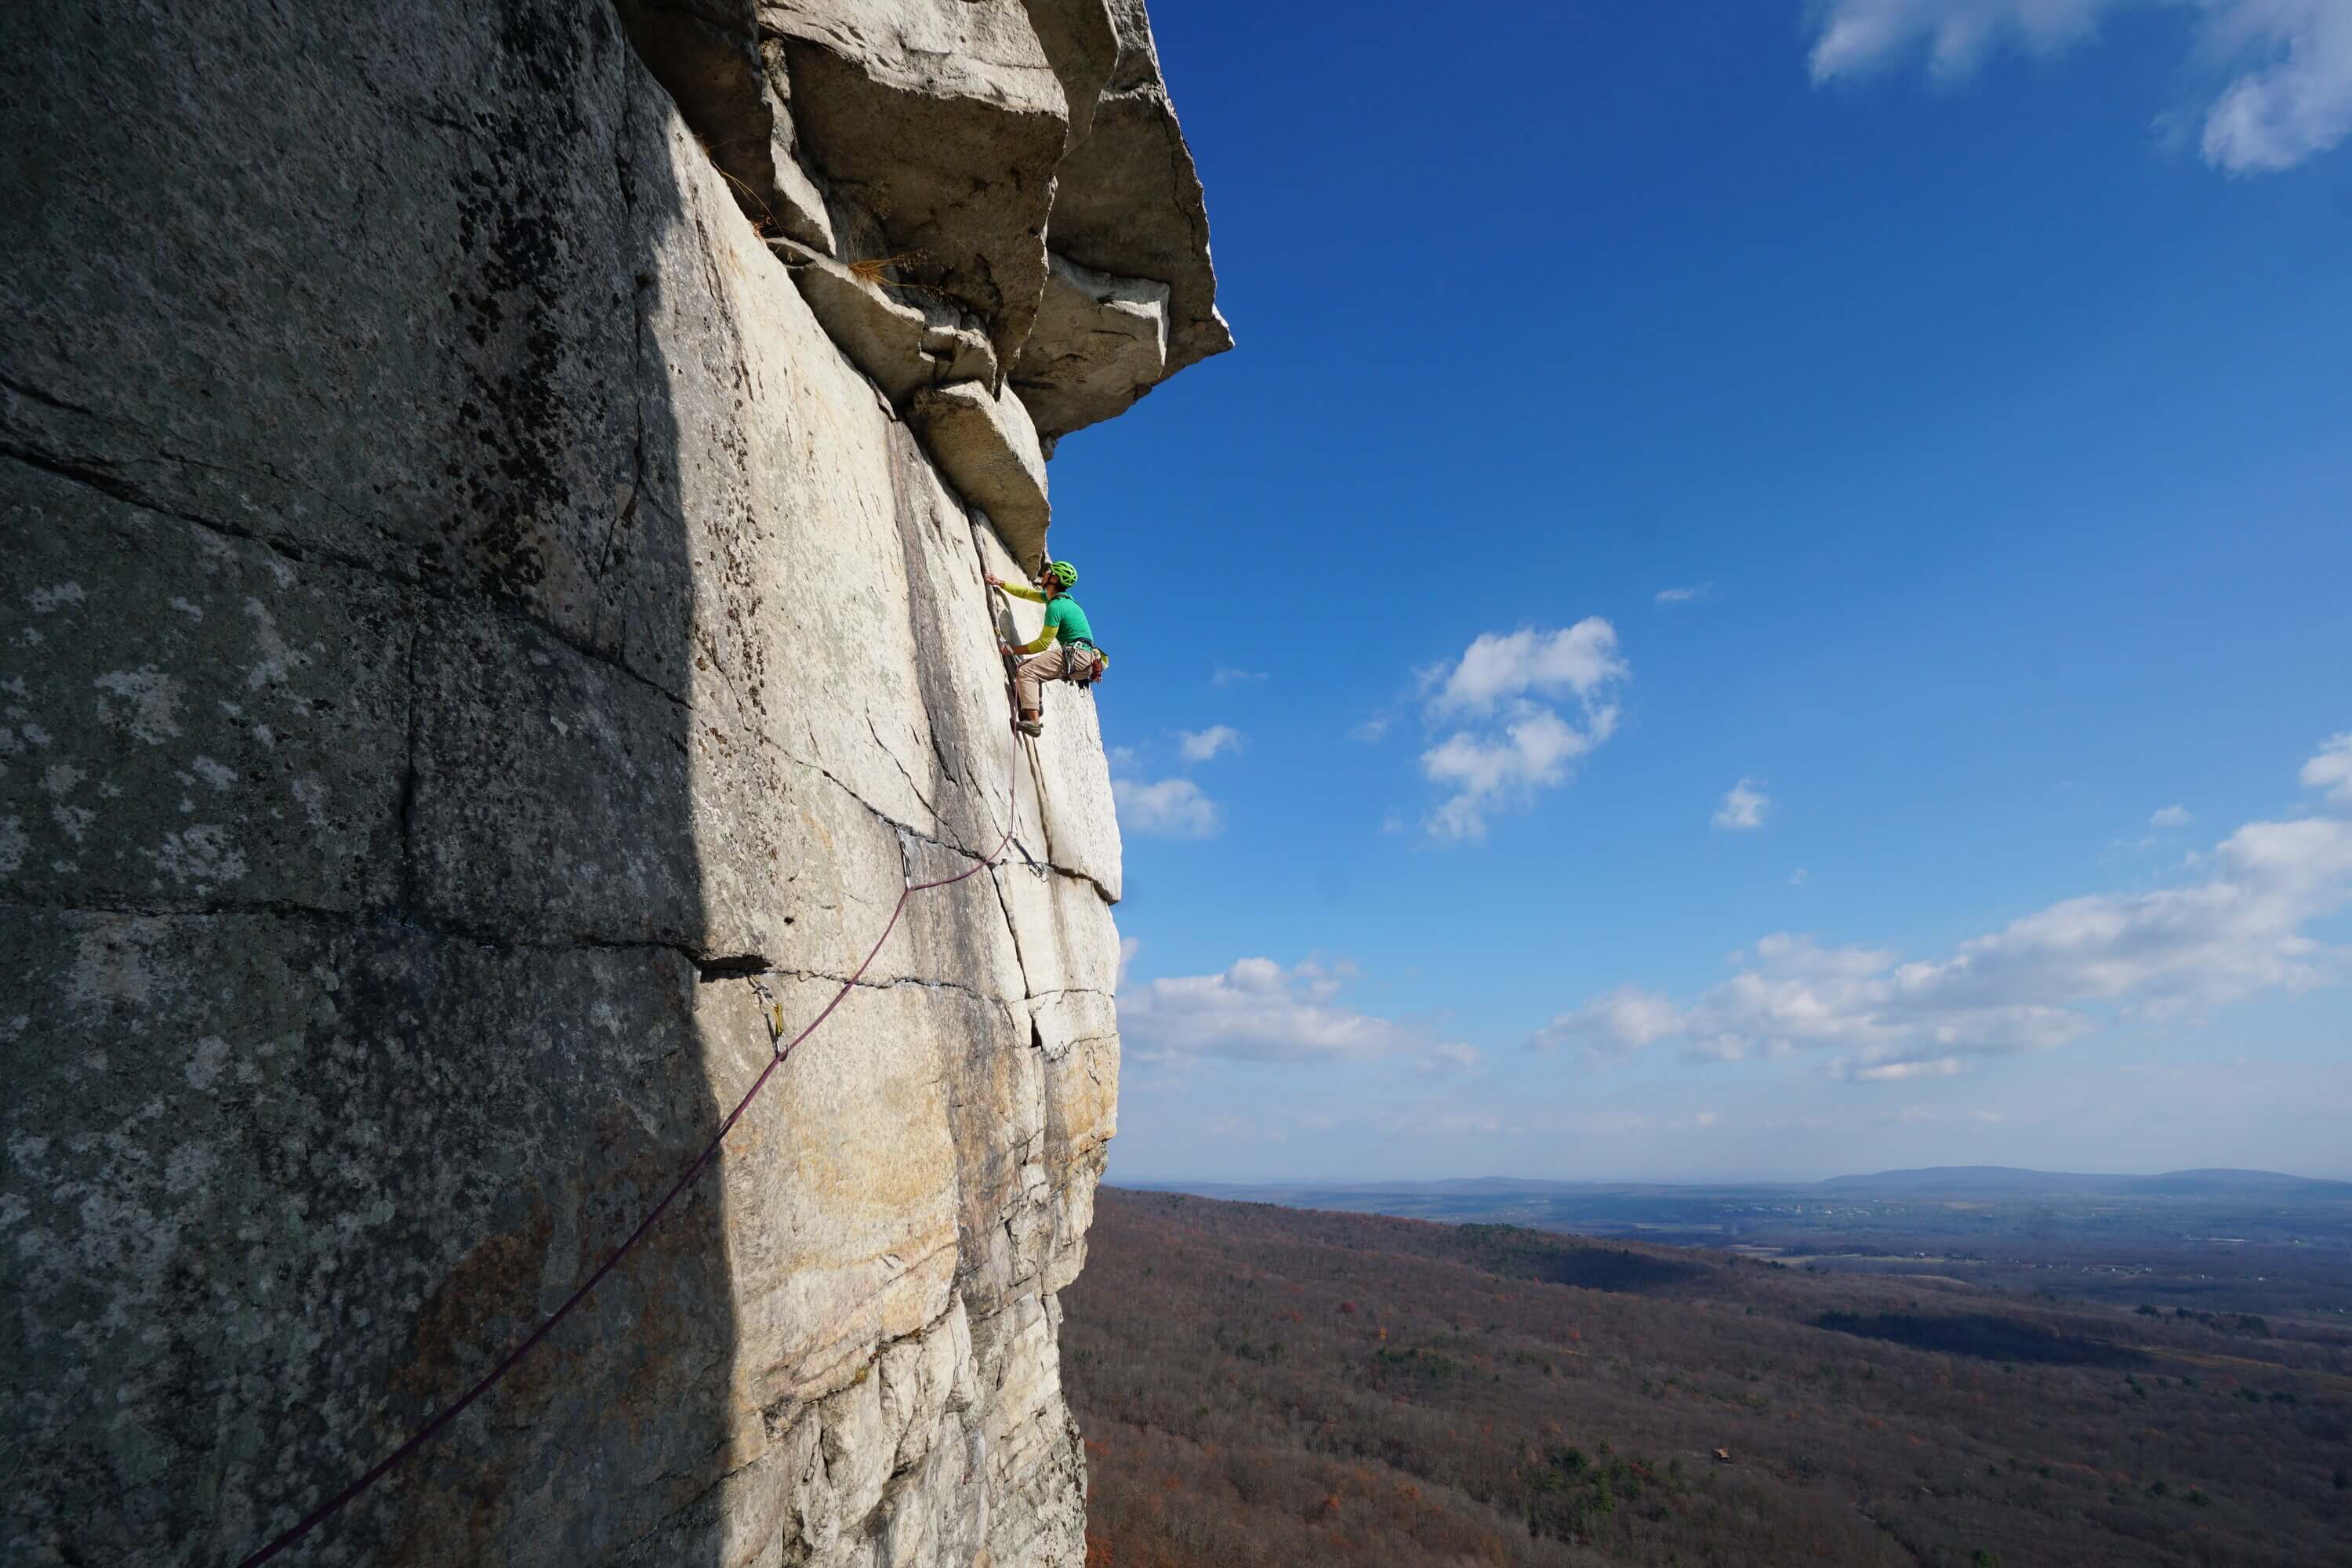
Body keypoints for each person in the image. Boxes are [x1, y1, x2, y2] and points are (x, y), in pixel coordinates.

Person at [986, 559, 1105, 736]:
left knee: (1027, 671)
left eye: (1048, 572)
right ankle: (1033, 705)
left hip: (1077, 655)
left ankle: (1034, 722)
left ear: (1054, 579)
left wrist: (1011, 650)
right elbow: (1027, 593)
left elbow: (1042, 644)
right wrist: (1000, 583)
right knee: (1031, 668)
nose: (1044, 574)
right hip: (1084, 660)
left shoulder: (1057, 606)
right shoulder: (1061, 600)